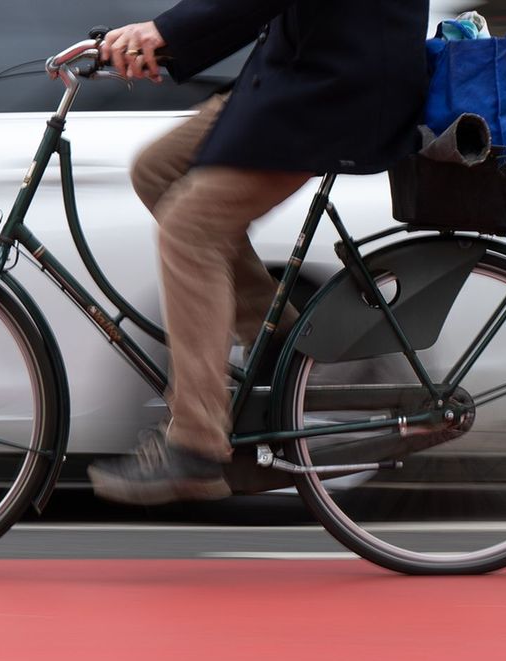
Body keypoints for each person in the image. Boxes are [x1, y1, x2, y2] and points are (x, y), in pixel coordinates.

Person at [86, 0, 430, 506]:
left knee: (189, 228)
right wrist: (166, 42)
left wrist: (164, 31)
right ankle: (277, 342)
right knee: (156, 170)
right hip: (294, 77)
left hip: (336, 91)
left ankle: (196, 444)